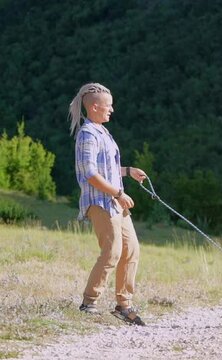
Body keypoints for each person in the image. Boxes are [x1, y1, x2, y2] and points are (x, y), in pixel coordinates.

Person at [69, 83, 147, 326]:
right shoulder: (88, 134)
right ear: (94, 106)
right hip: (101, 202)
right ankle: (89, 302)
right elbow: (90, 173)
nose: (112, 110)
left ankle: (124, 305)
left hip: (114, 201)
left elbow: (107, 168)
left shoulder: (103, 132)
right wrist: (118, 193)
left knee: (131, 249)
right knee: (112, 251)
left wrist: (128, 171)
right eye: (108, 105)